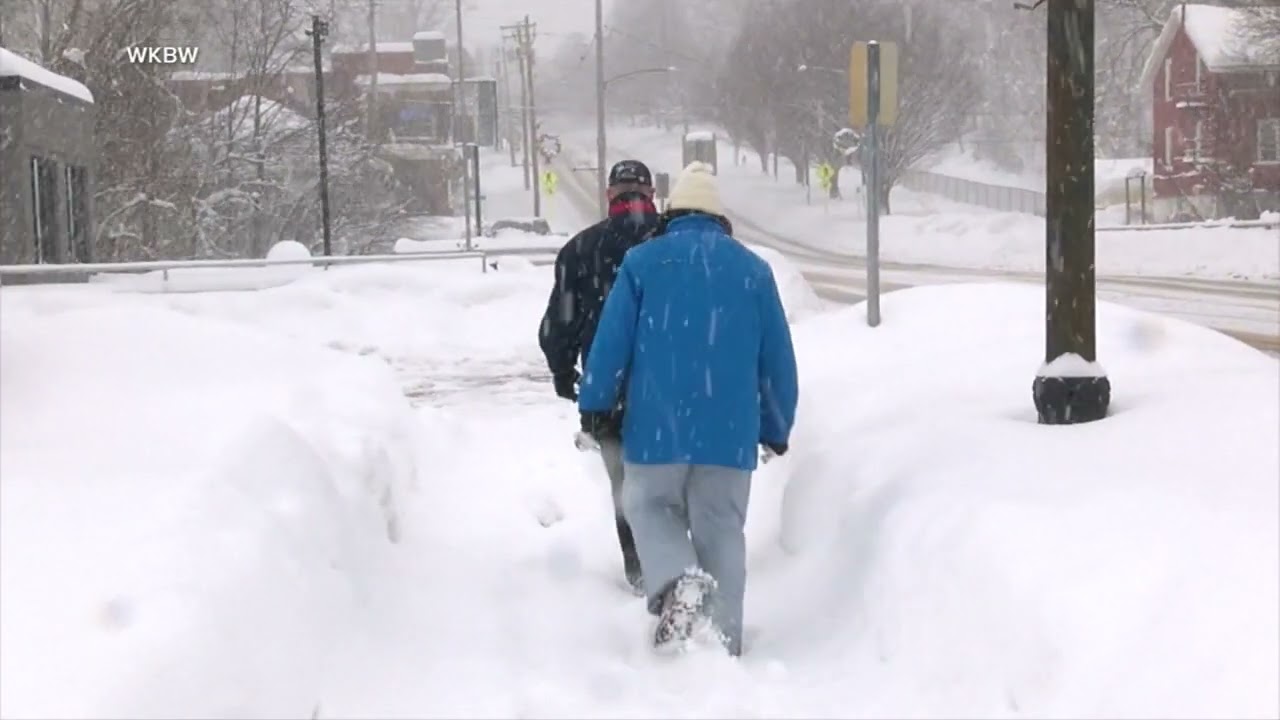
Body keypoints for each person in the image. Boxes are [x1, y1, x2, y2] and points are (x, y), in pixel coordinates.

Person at [576, 161, 799, 656]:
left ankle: (678, 578)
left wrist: (594, 403)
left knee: (648, 506)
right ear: (721, 219)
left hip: (657, 428)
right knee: (722, 526)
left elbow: (612, 344)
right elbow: (777, 358)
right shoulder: (753, 271)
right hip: (729, 433)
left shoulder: (642, 263)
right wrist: (777, 424)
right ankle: (723, 641)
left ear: (672, 213)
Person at [538, 159, 660, 595]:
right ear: (651, 194)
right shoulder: (669, 242)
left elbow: (560, 322)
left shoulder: (582, 249)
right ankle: (677, 556)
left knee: (624, 480)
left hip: (608, 389)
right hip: (673, 384)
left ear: (610, 195)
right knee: (673, 472)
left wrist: (562, 369)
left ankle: (641, 569)